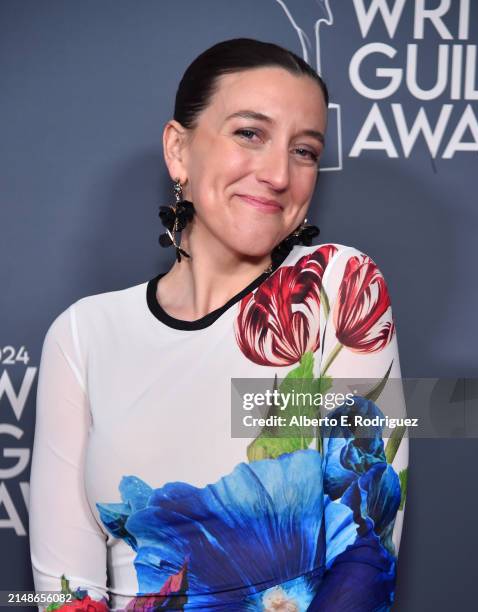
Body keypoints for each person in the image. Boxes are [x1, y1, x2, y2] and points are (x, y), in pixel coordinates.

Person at [29, 38, 409, 611]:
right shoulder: (82, 335)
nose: (279, 174)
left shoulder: (336, 292)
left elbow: (365, 554)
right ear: (179, 150)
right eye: (249, 134)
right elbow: (63, 593)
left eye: (304, 151)